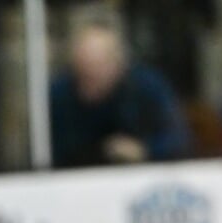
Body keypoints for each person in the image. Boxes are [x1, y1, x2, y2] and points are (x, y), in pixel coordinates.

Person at [48, 20, 190, 168]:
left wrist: (143, 150)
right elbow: (49, 151)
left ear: (117, 65)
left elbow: (178, 140)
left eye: (97, 69)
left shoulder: (146, 87)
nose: (88, 78)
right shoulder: (60, 95)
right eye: (82, 71)